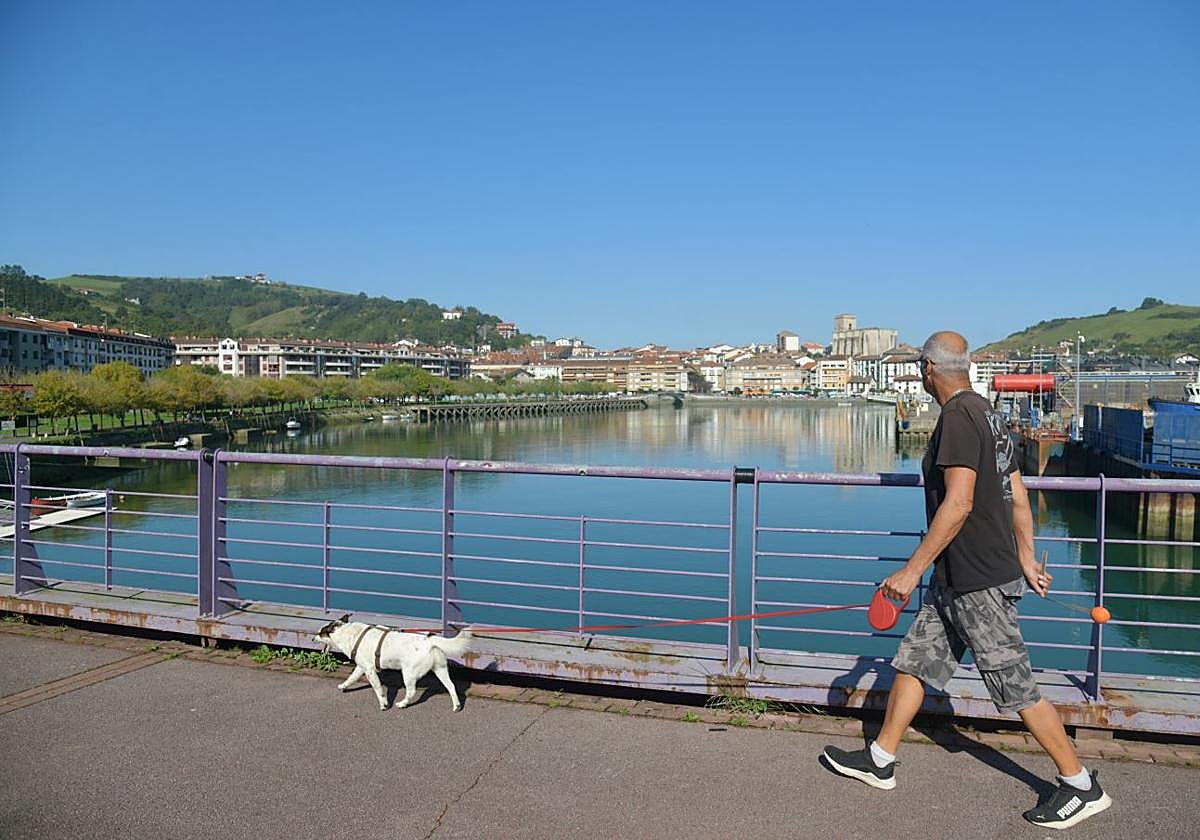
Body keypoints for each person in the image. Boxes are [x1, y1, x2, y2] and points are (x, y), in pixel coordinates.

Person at [821, 331, 1113, 831]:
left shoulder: (957, 417)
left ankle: (1081, 784)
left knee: (1015, 685)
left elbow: (959, 503)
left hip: (977, 580)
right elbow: (1016, 493)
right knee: (916, 660)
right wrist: (1025, 555)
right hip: (958, 576)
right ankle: (881, 758)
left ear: (926, 368)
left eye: (918, 365)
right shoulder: (991, 415)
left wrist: (910, 570)